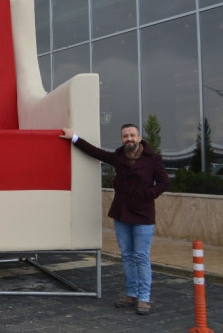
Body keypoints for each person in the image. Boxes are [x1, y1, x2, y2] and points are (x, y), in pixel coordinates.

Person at [60, 124, 169, 315]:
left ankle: (144, 298)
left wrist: (147, 194)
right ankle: (131, 294)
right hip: (121, 214)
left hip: (143, 215)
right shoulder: (118, 157)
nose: (129, 138)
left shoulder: (153, 159)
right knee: (127, 255)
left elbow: (164, 182)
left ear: (139, 137)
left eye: (132, 135)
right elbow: (96, 152)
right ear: (122, 139)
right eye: (125, 136)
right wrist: (74, 138)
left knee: (141, 256)